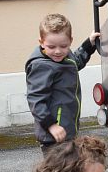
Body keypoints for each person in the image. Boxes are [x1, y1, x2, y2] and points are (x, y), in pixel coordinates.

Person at [25, 13, 101, 152]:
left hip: (67, 129)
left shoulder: (65, 57)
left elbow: (76, 61)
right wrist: (51, 125)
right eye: (51, 47)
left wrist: (89, 44)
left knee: (68, 170)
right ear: (41, 42)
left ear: (70, 41)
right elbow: (36, 100)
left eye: (63, 46)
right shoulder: (41, 66)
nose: (58, 51)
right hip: (53, 136)